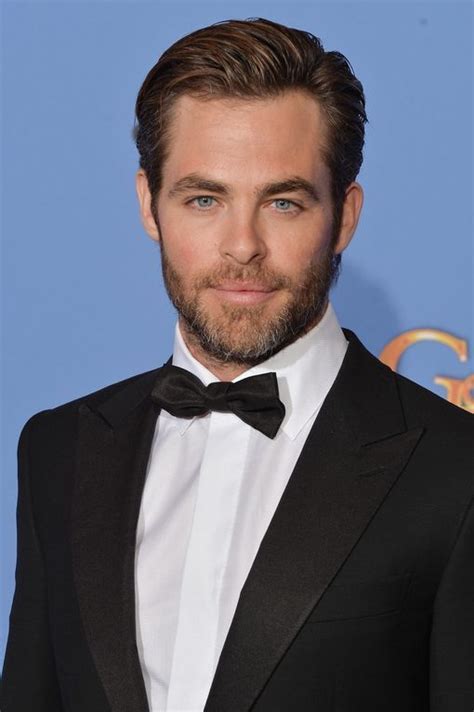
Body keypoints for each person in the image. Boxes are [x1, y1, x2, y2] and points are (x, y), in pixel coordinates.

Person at [1, 17, 473, 712]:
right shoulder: (59, 450)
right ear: (149, 206)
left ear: (344, 217)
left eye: (283, 202)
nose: (243, 245)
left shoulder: (456, 472)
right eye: (205, 199)